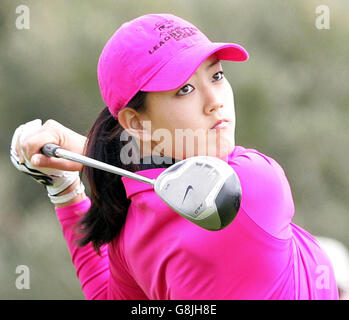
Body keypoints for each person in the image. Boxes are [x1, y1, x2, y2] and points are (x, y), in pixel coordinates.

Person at [10, 13, 339, 299]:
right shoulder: (255, 183)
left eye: (217, 75)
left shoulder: (134, 225)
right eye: (185, 89)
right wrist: (82, 156)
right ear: (136, 123)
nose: (215, 101)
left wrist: (65, 189)